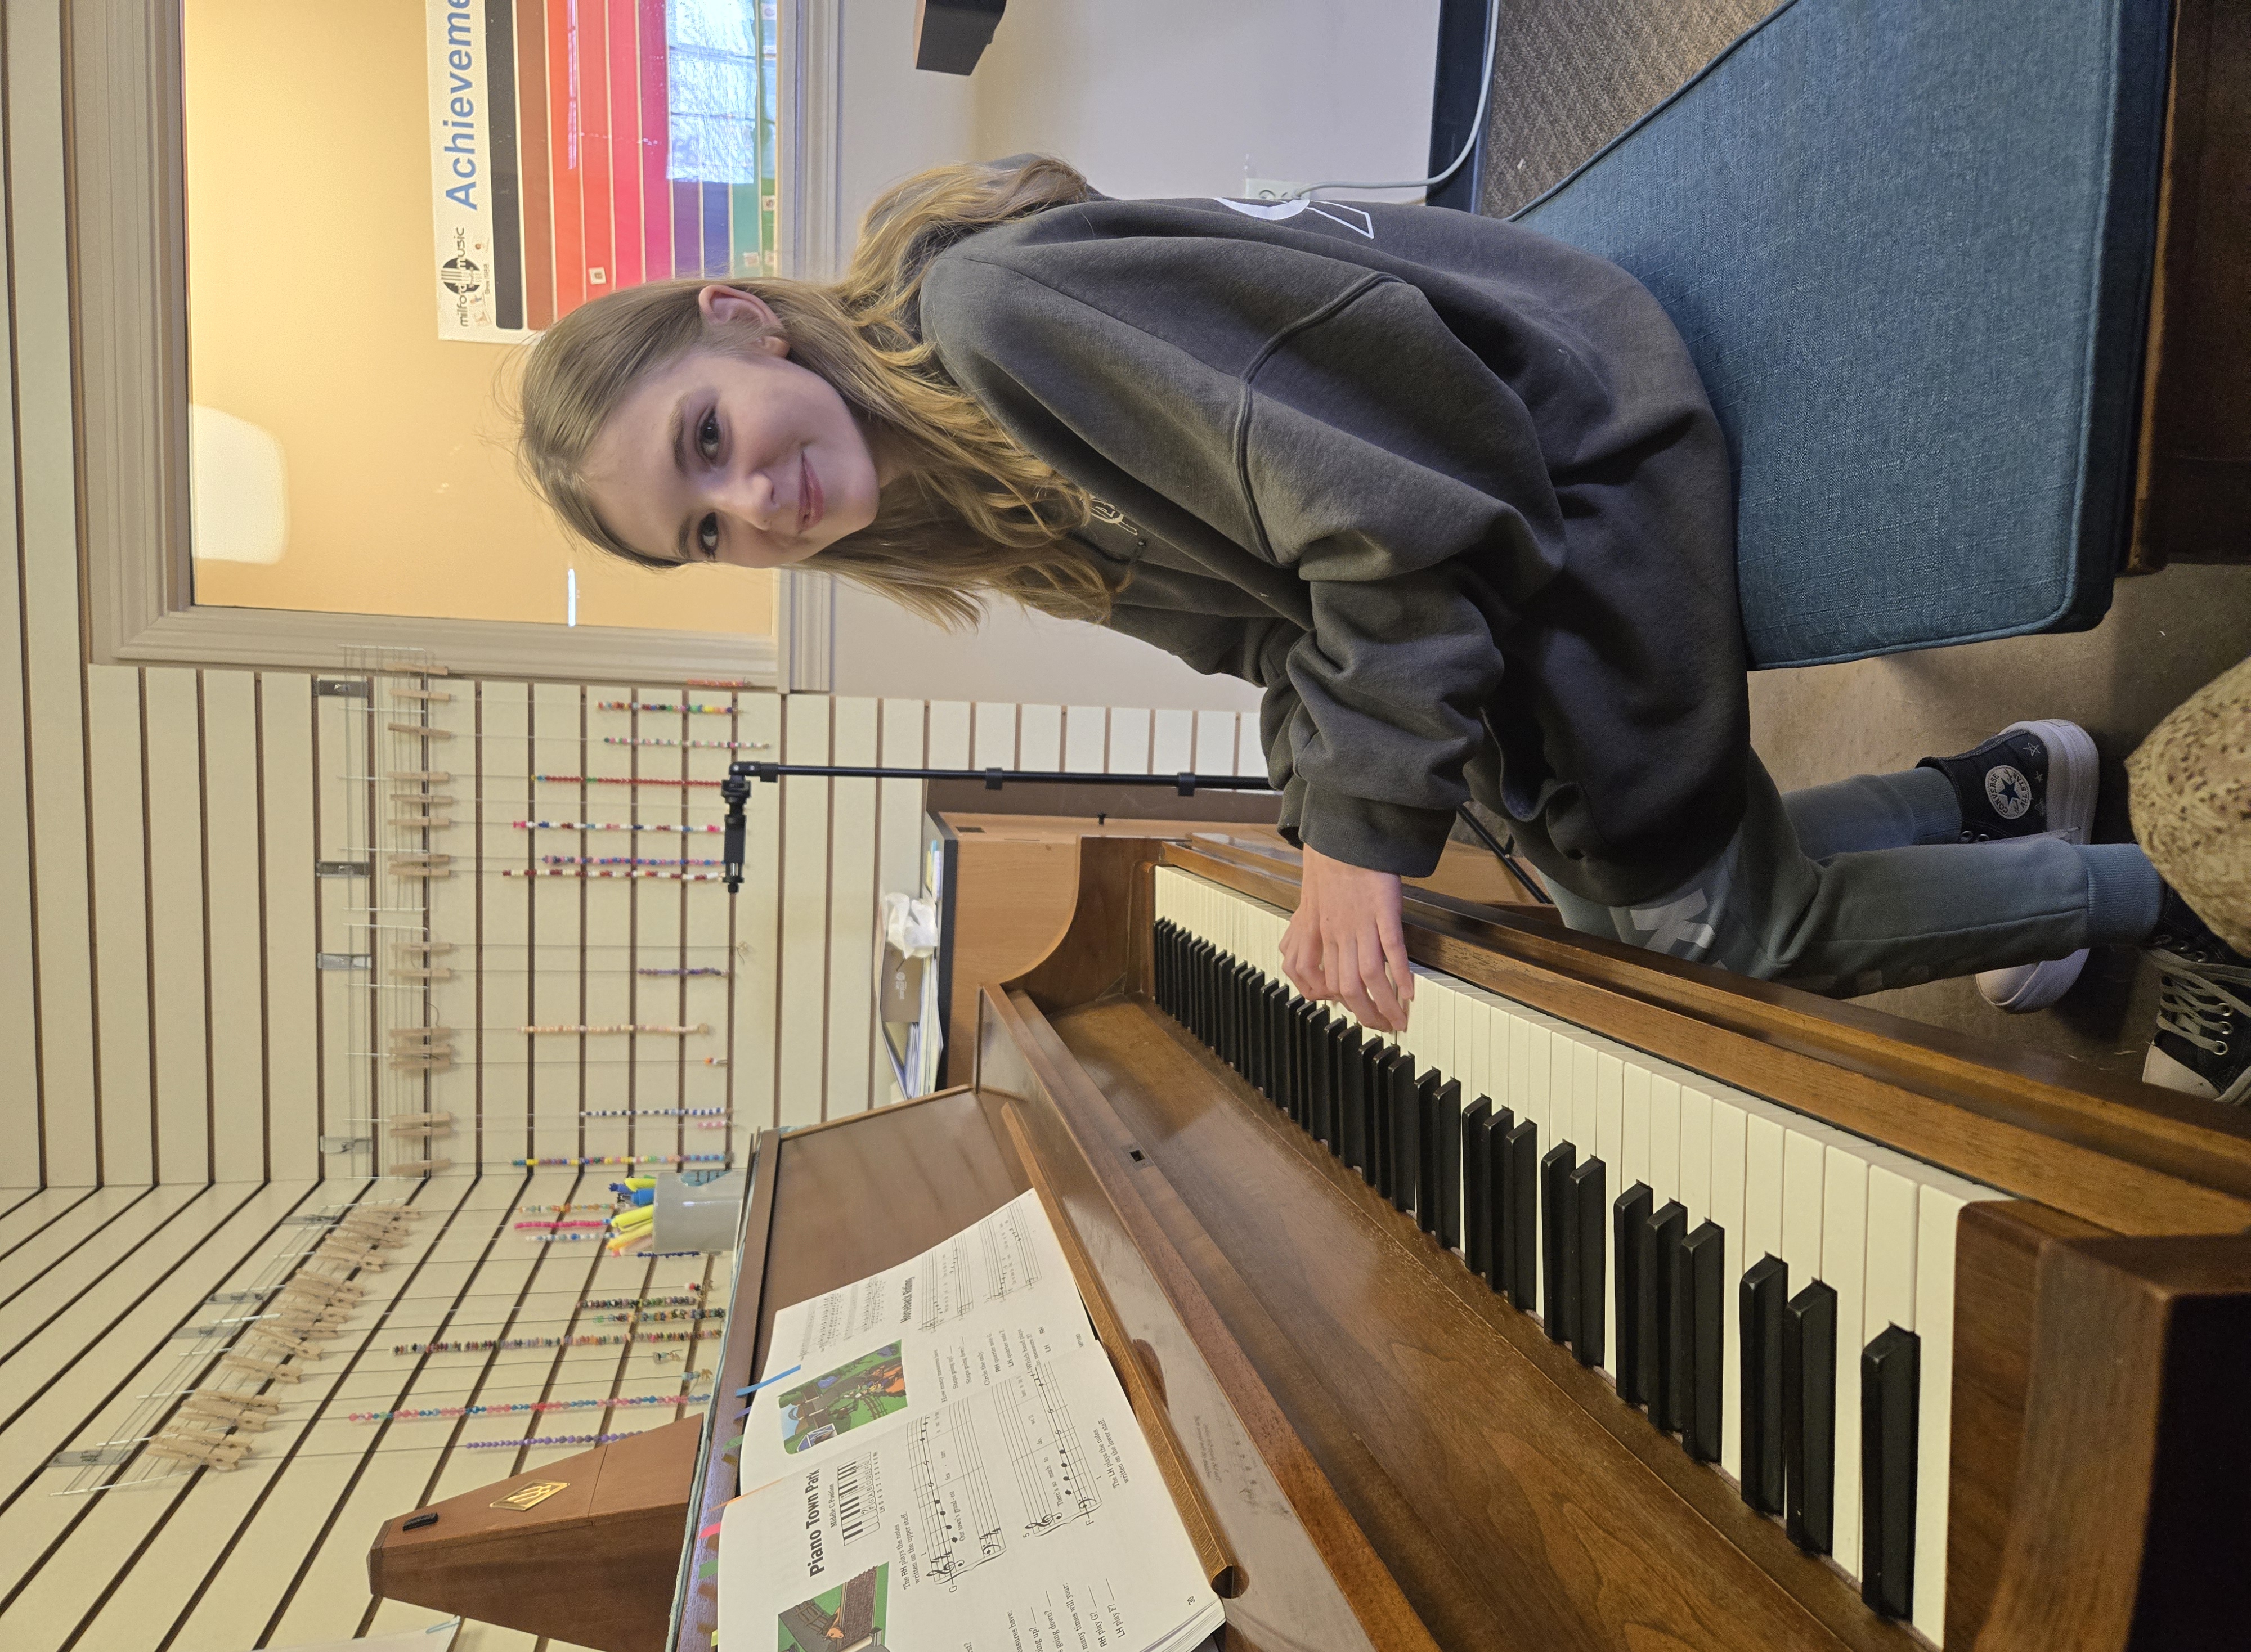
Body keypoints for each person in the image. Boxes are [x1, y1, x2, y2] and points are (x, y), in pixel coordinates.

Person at [513, 155, 2248, 1107]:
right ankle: (1998, 796)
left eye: (709, 443)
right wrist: (1330, 822)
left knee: (1698, 917)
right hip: (1486, 499)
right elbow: (1276, 643)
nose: (755, 504)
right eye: (709, 533)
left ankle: (2167, 898)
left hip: (1572, 448)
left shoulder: (990, 324)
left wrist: (1363, 834)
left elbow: (1406, 512)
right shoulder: (970, 481)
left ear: (736, 319)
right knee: (1568, 877)